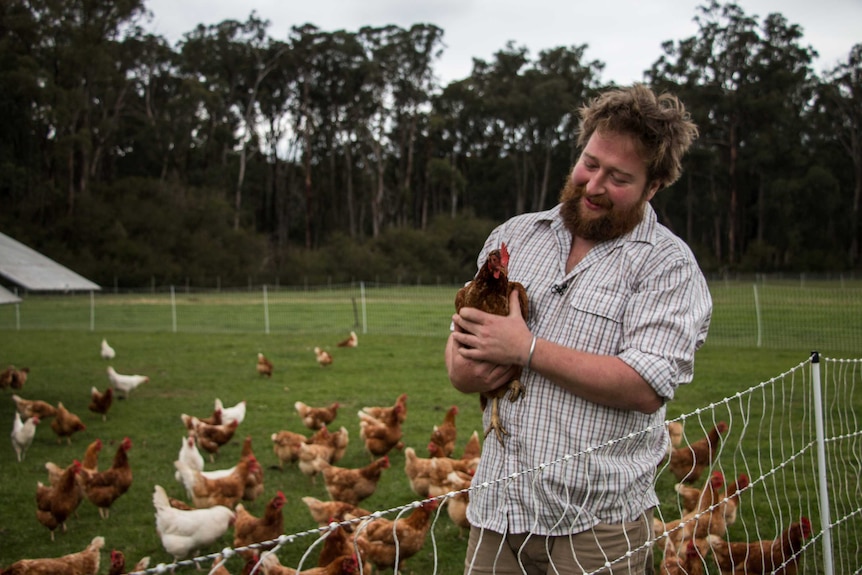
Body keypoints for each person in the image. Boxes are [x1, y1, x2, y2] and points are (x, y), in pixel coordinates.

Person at [445, 84, 712, 575]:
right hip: (497, 512)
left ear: (652, 187)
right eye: (590, 163)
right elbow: (461, 356)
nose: (593, 185)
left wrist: (524, 349)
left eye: (618, 178)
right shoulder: (515, 236)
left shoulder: (667, 267)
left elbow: (645, 385)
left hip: (596, 528)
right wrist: (469, 366)